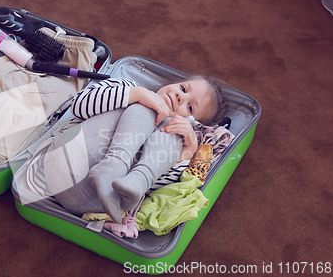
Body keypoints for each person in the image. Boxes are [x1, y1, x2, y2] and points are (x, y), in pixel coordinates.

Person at [34, 76, 227, 223]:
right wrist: (136, 95)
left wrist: (187, 150)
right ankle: (113, 165)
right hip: (63, 160)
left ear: (193, 122)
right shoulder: (127, 86)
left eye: (190, 107)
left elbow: (154, 189)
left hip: (97, 200)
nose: (179, 98)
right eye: (183, 88)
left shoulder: (172, 139)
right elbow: (79, 104)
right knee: (150, 109)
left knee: (170, 133)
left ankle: (123, 173)